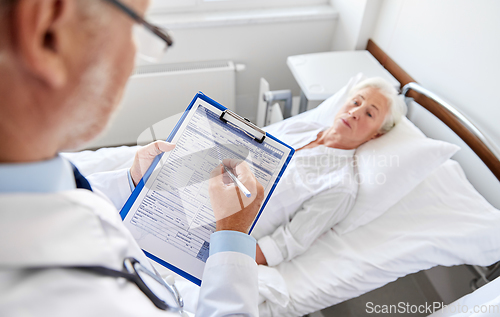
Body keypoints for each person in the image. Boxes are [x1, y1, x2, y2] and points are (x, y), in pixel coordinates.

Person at [0, 0, 264, 316]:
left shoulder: (29, 166)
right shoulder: (68, 302)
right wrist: (233, 234)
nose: (134, 58)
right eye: (137, 25)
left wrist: (132, 184)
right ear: (47, 31)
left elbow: (67, 203)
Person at [252, 77, 407, 266]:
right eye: (356, 102)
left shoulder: (340, 185)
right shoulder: (302, 127)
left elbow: (285, 244)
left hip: (228, 228)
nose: (355, 112)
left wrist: (223, 257)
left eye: (369, 114)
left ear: (377, 134)